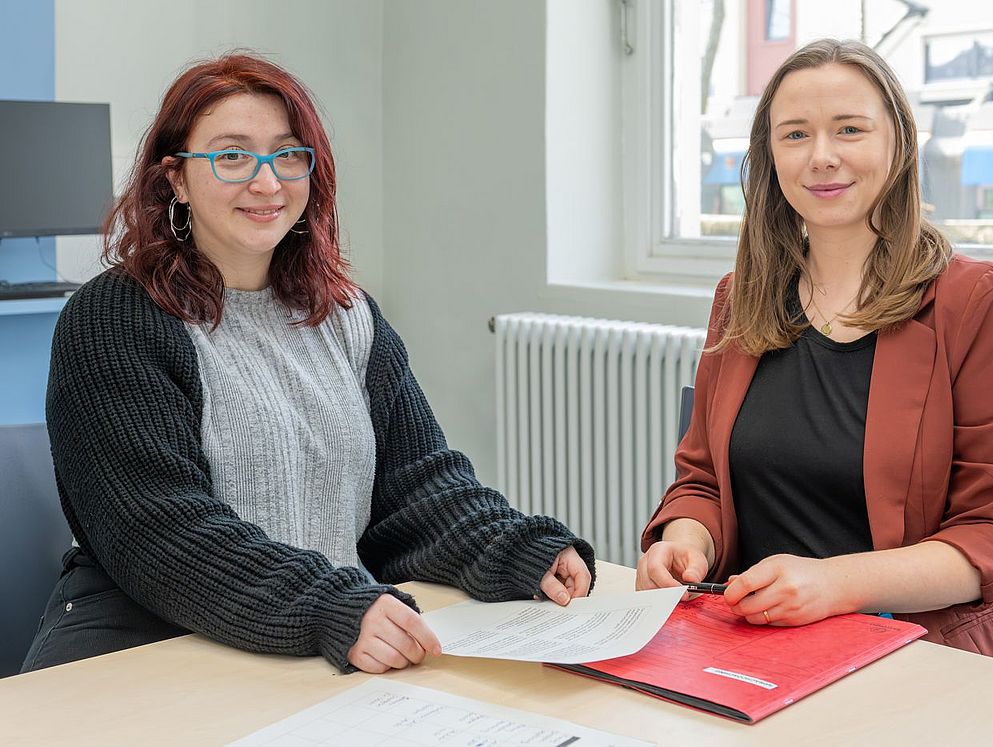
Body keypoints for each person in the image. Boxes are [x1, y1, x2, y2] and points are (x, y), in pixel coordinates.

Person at [22, 53, 594, 675]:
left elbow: (416, 487)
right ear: (176, 180)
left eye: (287, 155)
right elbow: (161, 532)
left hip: (312, 646)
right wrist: (328, 606)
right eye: (232, 155)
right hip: (146, 644)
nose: (267, 183)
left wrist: (516, 549)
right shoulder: (113, 318)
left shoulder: (346, 314)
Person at [637, 39, 993, 672]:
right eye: (795, 134)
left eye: (850, 129)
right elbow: (701, 479)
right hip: (756, 650)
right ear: (769, 157)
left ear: (898, 143)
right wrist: (684, 540)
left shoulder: (975, 300)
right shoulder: (740, 298)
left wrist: (838, 583)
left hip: (922, 658)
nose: (822, 157)